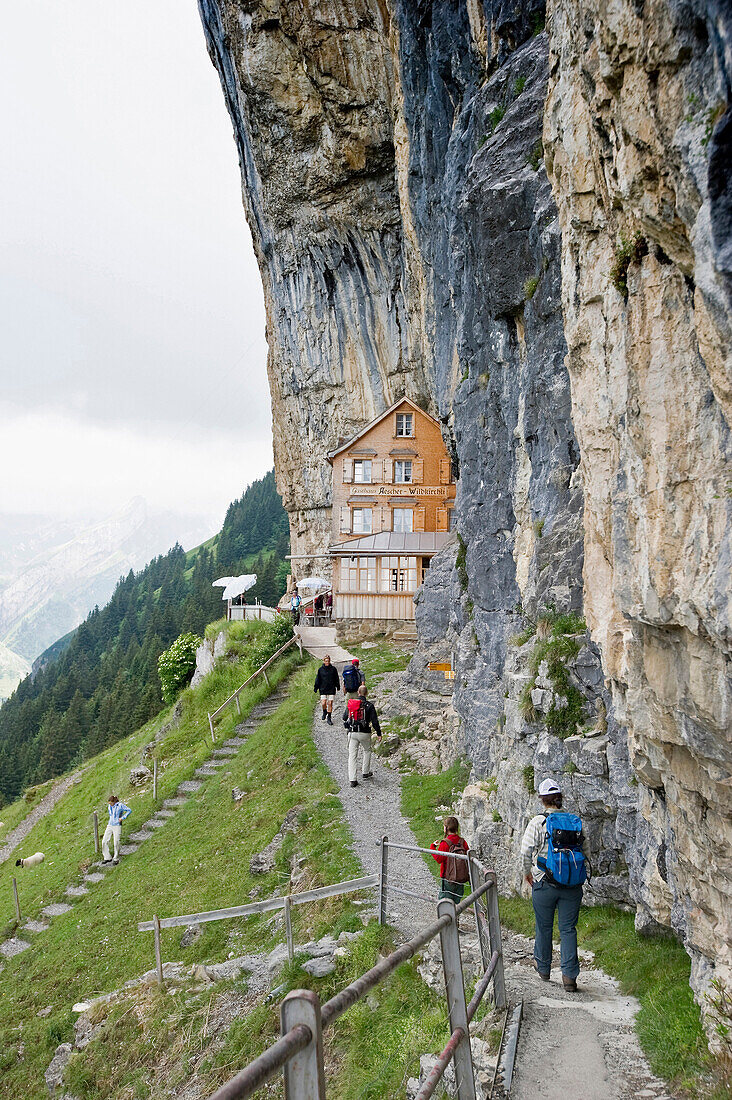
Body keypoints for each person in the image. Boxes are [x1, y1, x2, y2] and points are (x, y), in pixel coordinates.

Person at [521, 779, 591, 992]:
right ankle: (569, 977)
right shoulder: (575, 821)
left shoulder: (538, 822)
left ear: (542, 799)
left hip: (544, 882)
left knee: (544, 926)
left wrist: (527, 874)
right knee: (568, 929)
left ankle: (543, 968)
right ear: (560, 799)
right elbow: (586, 850)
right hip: (572, 885)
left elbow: (525, 851)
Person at [343, 684, 381, 787]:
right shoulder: (369, 706)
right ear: (366, 693)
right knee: (367, 750)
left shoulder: (351, 704)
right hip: (365, 733)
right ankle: (365, 772)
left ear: (358, 693)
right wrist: (378, 733)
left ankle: (352, 779)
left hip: (352, 733)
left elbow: (344, 717)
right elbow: (374, 721)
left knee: (352, 755)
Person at [431, 817, 470, 904]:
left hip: (448, 878)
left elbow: (439, 859)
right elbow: (467, 855)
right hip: (461, 878)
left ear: (446, 828)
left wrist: (432, 847)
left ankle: (446, 917)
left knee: (444, 902)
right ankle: (455, 917)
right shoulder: (462, 841)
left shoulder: (445, 843)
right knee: (457, 902)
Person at [102, 795, 132, 865]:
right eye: (109, 803)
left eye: (111, 803)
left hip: (117, 825)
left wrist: (122, 818)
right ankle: (107, 857)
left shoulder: (120, 805)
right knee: (104, 841)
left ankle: (116, 858)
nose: (110, 804)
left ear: (114, 802)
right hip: (110, 825)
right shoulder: (109, 806)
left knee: (116, 842)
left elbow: (129, 810)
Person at [313, 654, 340, 724]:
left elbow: (336, 678)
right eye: (326, 661)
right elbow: (318, 679)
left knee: (330, 703)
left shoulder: (333, 669)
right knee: (323, 702)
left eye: (328, 661)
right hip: (323, 688)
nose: (327, 662)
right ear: (324, 661)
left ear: (330, 661)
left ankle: (329, 717)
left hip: (331, 688)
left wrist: (338, 686)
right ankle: (324, 711)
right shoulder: (320, 670)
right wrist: (316, 687)